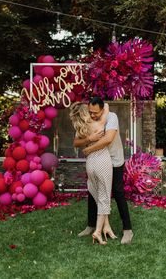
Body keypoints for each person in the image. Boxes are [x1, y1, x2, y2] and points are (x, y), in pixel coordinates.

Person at [73, 97, 133, 245]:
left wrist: (88, 149)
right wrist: (89, 139)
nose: (92, 115)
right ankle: (91, 225)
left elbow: (107, 139)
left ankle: (127, 229)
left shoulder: (111, 117)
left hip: (114, 159)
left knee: (118, 192)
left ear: (102, 109)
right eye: (90, 112)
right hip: (99, 159)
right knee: (93, 192)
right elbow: (77, 141)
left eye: (95, 113)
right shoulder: (88, 119)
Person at [70, 101, 116, 245]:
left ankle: (106, 227)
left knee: (98, 194)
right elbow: (106, 109)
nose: (91, 113)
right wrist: (104, 105)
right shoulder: (98, 124)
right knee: (104, 197)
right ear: (85, 113)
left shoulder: (81, 128)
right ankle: (97, 231)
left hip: (90, 163)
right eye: (89, 111)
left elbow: (76, 142)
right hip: (102, 161)